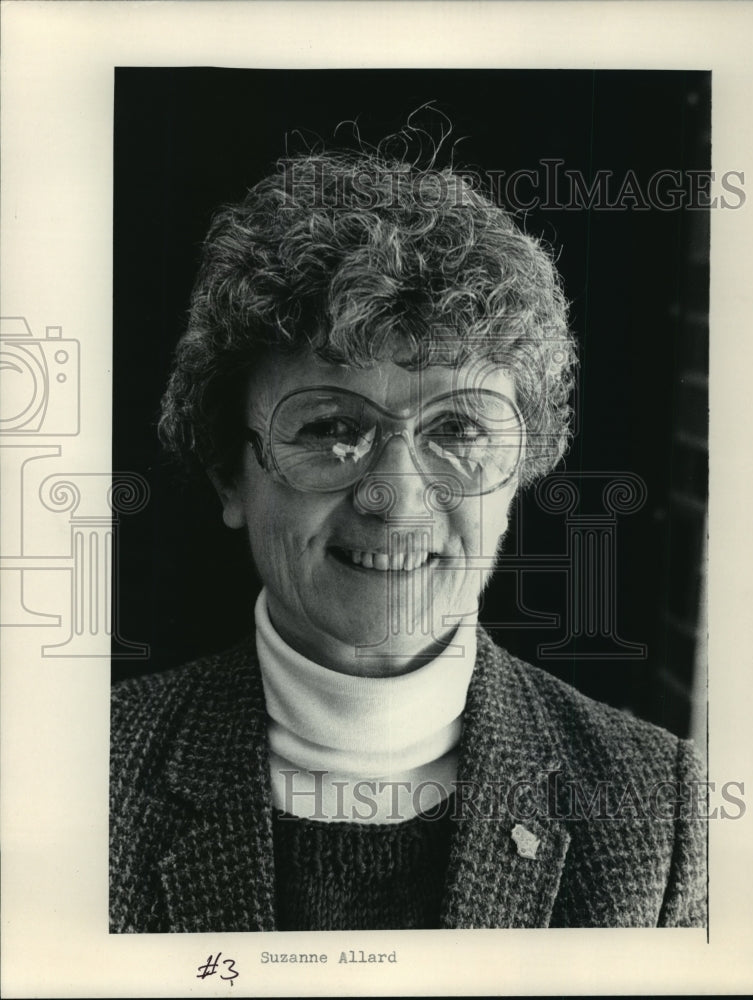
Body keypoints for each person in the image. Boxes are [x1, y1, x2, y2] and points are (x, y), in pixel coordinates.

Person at [110, 140, 707, 932]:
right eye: (329, 427)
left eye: (455, 428)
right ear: (230, 471)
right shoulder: (76, 778)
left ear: (519, 467)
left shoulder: (660, 811)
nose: (395, 499)